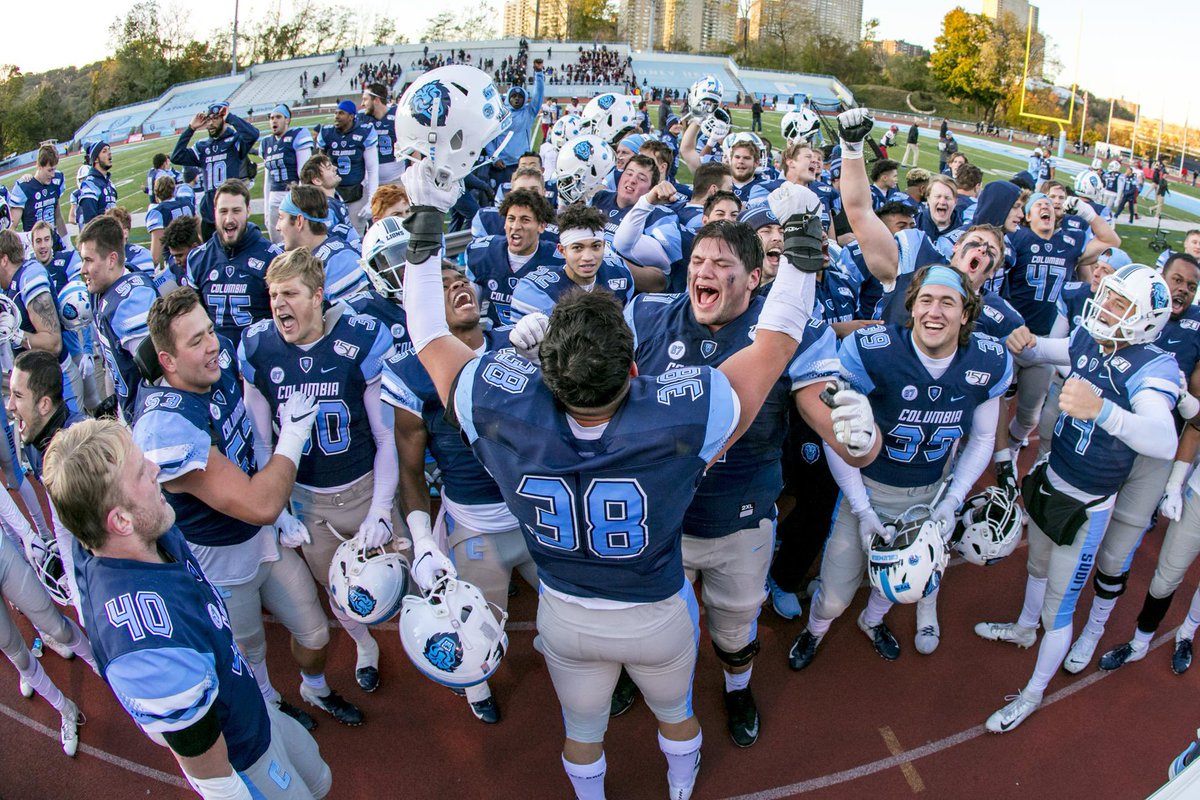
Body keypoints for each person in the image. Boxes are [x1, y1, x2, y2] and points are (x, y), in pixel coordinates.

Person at [399, 158, 842, 799]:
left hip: (564, 610)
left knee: (582, 729)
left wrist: (424, 238)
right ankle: (680, 790)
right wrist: (800, 255)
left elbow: (427, 332)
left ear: (546, 370)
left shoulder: (505, 406)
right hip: (654, 611)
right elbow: (776, 341)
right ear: (634, 370)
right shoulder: (679, 417)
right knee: (678, 715)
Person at [42, 419, 333, 798]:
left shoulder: (140, 533)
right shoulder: (147, 646)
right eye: (141, 473)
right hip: (243, 756)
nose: (155, 469)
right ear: (120, 520)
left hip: (250, 706)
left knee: (320, 779)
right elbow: (215, 780)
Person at [979, 263, 1179, 733]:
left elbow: (1163, 439)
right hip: (1054, 475)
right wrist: (1022, 341)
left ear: (1146, 319)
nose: (1105, 306)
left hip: (1087, 505)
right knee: (1035, 567)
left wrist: (1104, 410)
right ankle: (1024, 629)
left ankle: (1031, 695)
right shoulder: (1093, 337)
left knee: (1060, 609)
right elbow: (1055, 350)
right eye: (1107, 295)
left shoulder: (1154, 366)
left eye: (1119, 304)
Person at [239, 248, 399, 700]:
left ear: (318, 297)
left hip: (366, 485)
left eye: (289, 293)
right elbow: (262, 442)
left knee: (398, 578)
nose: (278, 305)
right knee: (342, 591)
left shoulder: (360, 338)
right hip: (308, 499)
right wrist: (281, 510)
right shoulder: (258, 347)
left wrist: (383, 507)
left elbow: (386, 438)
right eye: (273, 295)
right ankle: (365, 646)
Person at [383, 265, 531, 724]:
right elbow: (410, 469)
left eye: (461, 280)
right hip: (475, 525)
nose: (458, 287)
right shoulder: (412, 374)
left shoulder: (518, 345)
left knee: (575, 612)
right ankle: (478, 687)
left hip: (536, 515)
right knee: (473, 636)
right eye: (442, 287)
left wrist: (550, 352)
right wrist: (423, 540)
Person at [77, 216, 160, 422]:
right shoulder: (102, 289)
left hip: (148, 416)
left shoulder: (131, 301)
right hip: (130, 407)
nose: (82, 270)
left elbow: (158, 375)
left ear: (112, 260)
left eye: (89, 260)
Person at [184, 180, 282, 345]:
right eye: (223, 211)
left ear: (248, 211)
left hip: (262, 354)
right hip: (217, 357)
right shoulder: (197, 259)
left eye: (236, 211)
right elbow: (194, 318)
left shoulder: (273, 258)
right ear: (215, 213)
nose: (229, 219)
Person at [510, 204, 634, 320]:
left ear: (603, 245)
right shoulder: (535, 292)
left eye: (595, 246)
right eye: (577, 248)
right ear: (562, 250)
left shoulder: (620, 274)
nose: (587, 257)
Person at [466, 188, 563, 327]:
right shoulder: (483, 253)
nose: (516, 226)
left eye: (525, 220)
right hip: (497, 341)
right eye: (511, 219)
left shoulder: (558, 260)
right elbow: (470, 315)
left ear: (541, 226)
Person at [171, 101, 261, 240]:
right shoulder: (202, 147)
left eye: (215, 118)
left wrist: (230, 117)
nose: (211, 123)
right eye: (209, 119)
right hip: (209, 213)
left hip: (230, 210)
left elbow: (253, 134)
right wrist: (191, 128)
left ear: (223, 119)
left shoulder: (234, 141)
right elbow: (177, 156)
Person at [274, 185, 369, 303]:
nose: (277, 227)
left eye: (281, 218)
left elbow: (353, 316)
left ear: (299, 221)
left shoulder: (338, 262)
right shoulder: (301, 253)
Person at [317, 100, 379, 235]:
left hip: (355, 193)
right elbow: (318, 165)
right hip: (332, 194)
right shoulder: (327, 133)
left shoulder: (364, 132)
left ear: (351, 116)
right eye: (335, 113)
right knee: (329, 234)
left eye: (341, 113)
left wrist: (371, 200)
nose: (336, 116)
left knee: (355, 235)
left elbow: (372, 169)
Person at [261, 104, 315, 245]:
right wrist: (266, 209)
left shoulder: (297, 135)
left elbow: (303, 175)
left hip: (291, 197)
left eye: (278, 117)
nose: (274, 120)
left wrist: (301, 203)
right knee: (277, 244)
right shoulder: (266, 143)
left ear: (287, 120)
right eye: (272, 118)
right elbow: (267, 180)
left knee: (298, 241)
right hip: (274, 199)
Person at [8, 144, 68, 249]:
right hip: (34, 246)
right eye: (49, 170)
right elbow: (12, 227)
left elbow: (58, 216)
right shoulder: (24, 187)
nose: (53, 174)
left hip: (53, 242)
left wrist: (67, 242)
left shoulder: (57, 180)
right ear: (39, 166)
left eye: (54, 169)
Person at [147, 176, 196, 269]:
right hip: (194, 257)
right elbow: (199, 236)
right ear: (174, 191)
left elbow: (155, 257)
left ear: (156, 194)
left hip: (176, 261)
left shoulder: (158, 212)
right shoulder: (187, 203)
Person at [358, 84, 403, 185]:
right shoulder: (361, 118)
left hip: (396, 179)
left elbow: (412, 148)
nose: (362, 104)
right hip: (369, 182)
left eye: (365, 99)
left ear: (376, 100)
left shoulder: (398, 115)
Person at [76, 142, 117, 227]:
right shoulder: (90, 185)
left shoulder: (110, 184)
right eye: (104, 151)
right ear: (95, 159)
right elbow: (90, 224)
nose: (109, 153)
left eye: (109, 150)